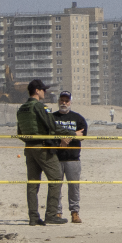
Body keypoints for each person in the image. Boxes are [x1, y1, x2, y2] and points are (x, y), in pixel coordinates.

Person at [15, 79, 68, 226]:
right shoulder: (39, 107)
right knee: (56, 178)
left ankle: (33, 217)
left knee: (32, 184)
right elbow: (52, 125)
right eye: (43, 90)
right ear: (37, 91)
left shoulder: (22, 109)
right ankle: (51, 214)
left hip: (29, 148)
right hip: (42, 148)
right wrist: (71, 133)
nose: (45, 92)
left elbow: (20, 133)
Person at [52, 91, 88, 224]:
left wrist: (68, 137)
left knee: (74, 187)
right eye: (62, 100)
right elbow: (48, 133)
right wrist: (66, 136)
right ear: (58, 101)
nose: (64, 103)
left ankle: (75, 212)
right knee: (56, 186)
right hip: (55, 157)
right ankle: (57, 212)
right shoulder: (52, 117)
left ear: (70, 102)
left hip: (73, 158)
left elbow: (82, 136)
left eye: (66, 101)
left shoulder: (78, 118)